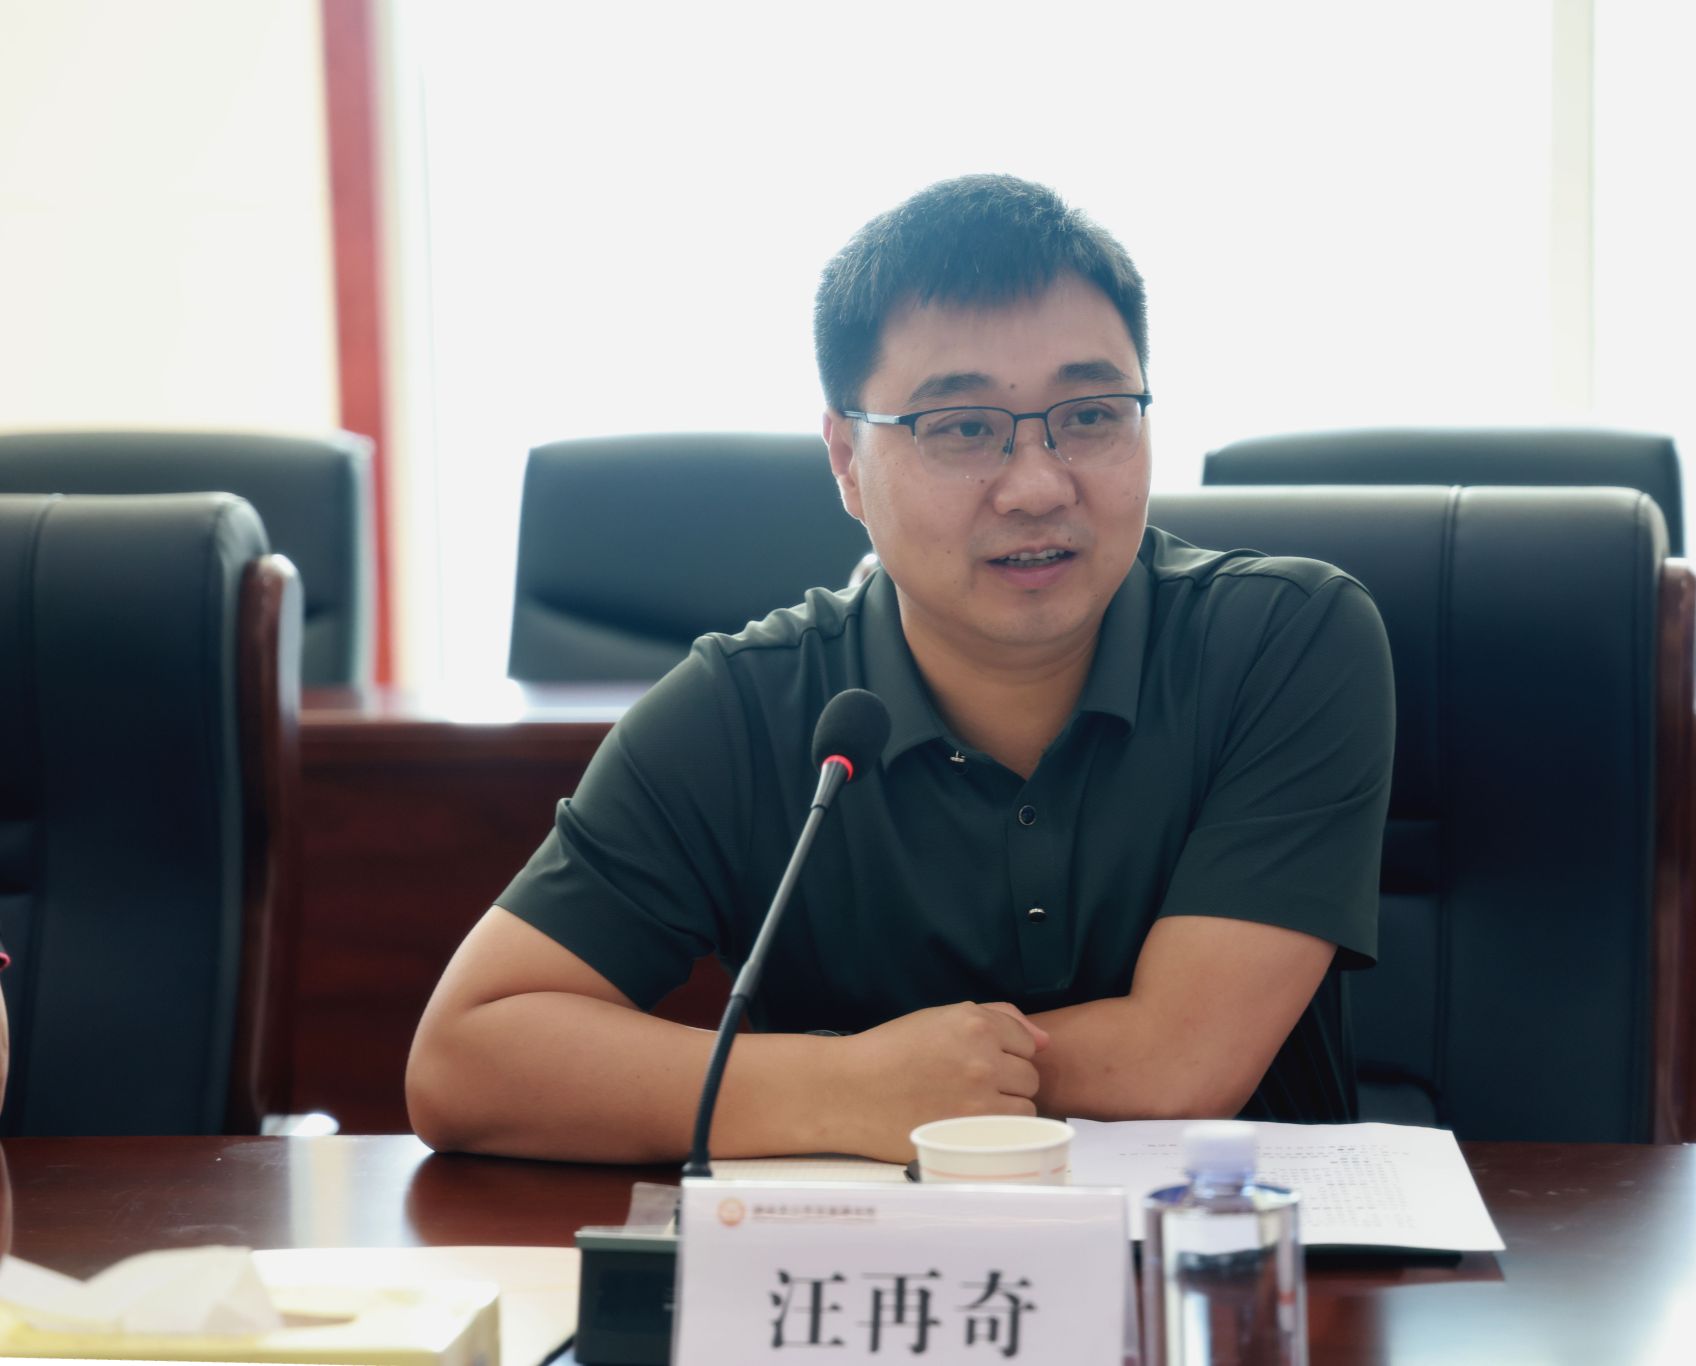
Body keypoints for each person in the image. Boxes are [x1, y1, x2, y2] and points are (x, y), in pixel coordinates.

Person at [407, 175, 1394, 1164]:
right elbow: (462, 1059)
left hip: (1229, 1249)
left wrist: (893, 1085)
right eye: (962, 428)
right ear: (846, 458)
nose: (1037, 485)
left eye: (1092, 415)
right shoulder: (747, 708)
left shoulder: (1284, 641)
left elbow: (1177, 1062)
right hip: (868, 1256)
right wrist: (840, 1086)